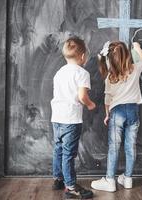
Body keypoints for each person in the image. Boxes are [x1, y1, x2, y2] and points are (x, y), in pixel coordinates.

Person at [91, 41, 142, 192]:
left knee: (114, 147)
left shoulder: (110, 77)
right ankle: (128, 178)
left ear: (110, 59)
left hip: (117, 112)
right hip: (133, 111)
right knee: (131, 146)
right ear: (127, 55)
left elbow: (107, 100)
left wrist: (107, 115)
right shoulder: (134, 69)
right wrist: (138, 48)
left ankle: (110, 180)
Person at [51, 37, 96, 199]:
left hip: (56, 117)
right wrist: (90, 104)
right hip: (71, 119)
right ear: (82, 56)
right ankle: (70, 187)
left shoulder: (59, 73)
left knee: (58, 149)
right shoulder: (82, 73)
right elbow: (82, 96)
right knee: (69, 154)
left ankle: (58, 179)